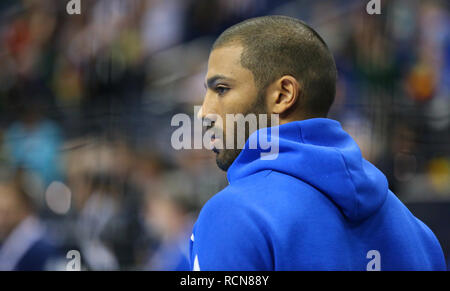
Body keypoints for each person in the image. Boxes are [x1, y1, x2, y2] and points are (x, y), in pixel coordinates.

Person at [190, 15, 446, 271]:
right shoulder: (418, 234)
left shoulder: (233, 214)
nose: (204, 112)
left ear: (283, 95)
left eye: (221, 89)